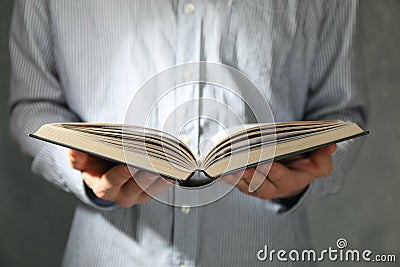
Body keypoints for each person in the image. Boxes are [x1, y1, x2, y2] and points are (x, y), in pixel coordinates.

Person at [9, 0, 367, 266]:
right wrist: (83, 175)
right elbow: (32, 105)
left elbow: (343, 113)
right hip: (109, 254)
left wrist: (302, 181)